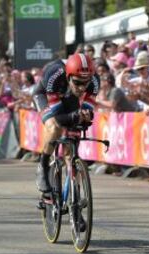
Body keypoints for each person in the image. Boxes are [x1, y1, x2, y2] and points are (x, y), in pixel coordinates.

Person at [32, 53, 99, 196]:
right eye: (77, 82)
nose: (82, 87)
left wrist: (86, 116)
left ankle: (75, 203)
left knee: (72, 151)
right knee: (54, 127)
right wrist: (75, 116)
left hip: (69, 98)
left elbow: (87, 110)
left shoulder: (94, 80)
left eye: (85, 83)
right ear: (68, 77)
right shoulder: (54, 74)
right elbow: (58, 117)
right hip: (44, 94)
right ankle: (42, 167)